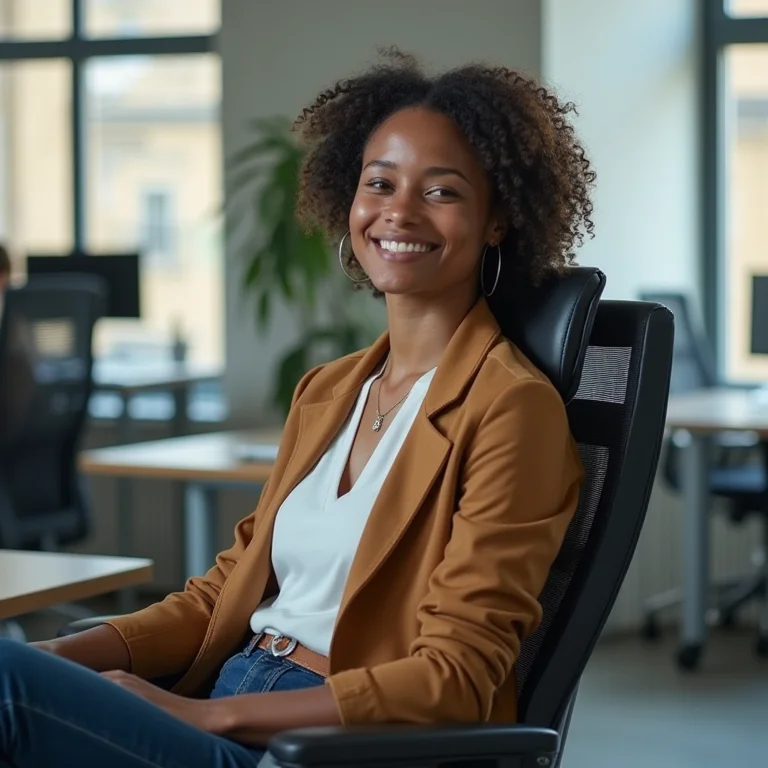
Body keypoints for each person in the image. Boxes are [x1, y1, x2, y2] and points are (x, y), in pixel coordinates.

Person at [0, 50, 595, 767]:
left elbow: (456, 680)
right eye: (380, 183)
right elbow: (223, 595)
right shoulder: (331, 390)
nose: (398, 211)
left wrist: (210, 715)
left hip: (316, 746)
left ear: (497, 219)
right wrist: (60, 655)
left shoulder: (511, 409)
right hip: (236, 684)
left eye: (441, 192)